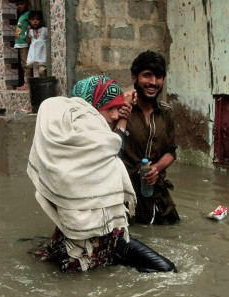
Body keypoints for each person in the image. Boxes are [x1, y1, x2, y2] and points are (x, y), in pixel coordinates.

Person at [27, 75, 177, 273]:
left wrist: (121, 117)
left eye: (118, 108)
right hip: (106, 241)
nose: (115, 115)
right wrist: (123, 119)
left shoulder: (69, 144)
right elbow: (114, 148)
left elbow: (110, 148)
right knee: (167, 270)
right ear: (90, 108)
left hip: (78, 237)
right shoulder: (90, 143)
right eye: (110, 109)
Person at [121, 51, 179, 224]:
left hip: (156, 192)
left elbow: (171, 151)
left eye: (159, 77)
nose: (153, 82)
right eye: (147, 75)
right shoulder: (122, 110)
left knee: (173, 229)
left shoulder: (166, 112)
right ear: (134, 77)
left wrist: (156, 169)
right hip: (125, 193)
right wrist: (122, 110)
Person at [12, 0, 30, 90]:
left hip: (24, 43)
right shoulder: (22, 15)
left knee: (26, 64)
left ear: (26, 4)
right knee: (23, 63)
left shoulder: (28, 14)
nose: (19, 6)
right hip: (20, 43)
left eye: (21, 4)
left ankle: (27, 84)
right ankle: (26, 83)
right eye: (17, 4)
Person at [25, 10, 48, 78]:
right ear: (30, 21)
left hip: (42, 55)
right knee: (36, 75)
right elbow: (28, 41)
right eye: (32, 19)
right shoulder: (30, 31)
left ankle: (44, 84)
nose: (35, 21)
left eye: (37, 19)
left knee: (42, 70)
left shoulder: (44, 30)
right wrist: (28, 31)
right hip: (34, 56)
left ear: (40, 20)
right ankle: (38, 88)